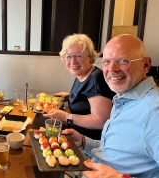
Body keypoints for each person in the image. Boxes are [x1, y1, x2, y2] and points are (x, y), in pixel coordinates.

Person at [64, 34, 159, 177]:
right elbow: (115, 151)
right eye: (107, 62)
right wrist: (84, 142)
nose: (112, 69)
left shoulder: (153, 112)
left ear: (146, 65)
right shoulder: (123, 98)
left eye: (123, 61)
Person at [43, 34, 115, 139]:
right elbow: (88, 99)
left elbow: (101, 121)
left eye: (78, 56)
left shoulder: (96, 78)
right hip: (75, 134)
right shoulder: (82, 75)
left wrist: (66, 116)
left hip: (88, 143)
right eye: (68, 56)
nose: (73, 62)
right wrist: (72, 96)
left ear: (90, 56)